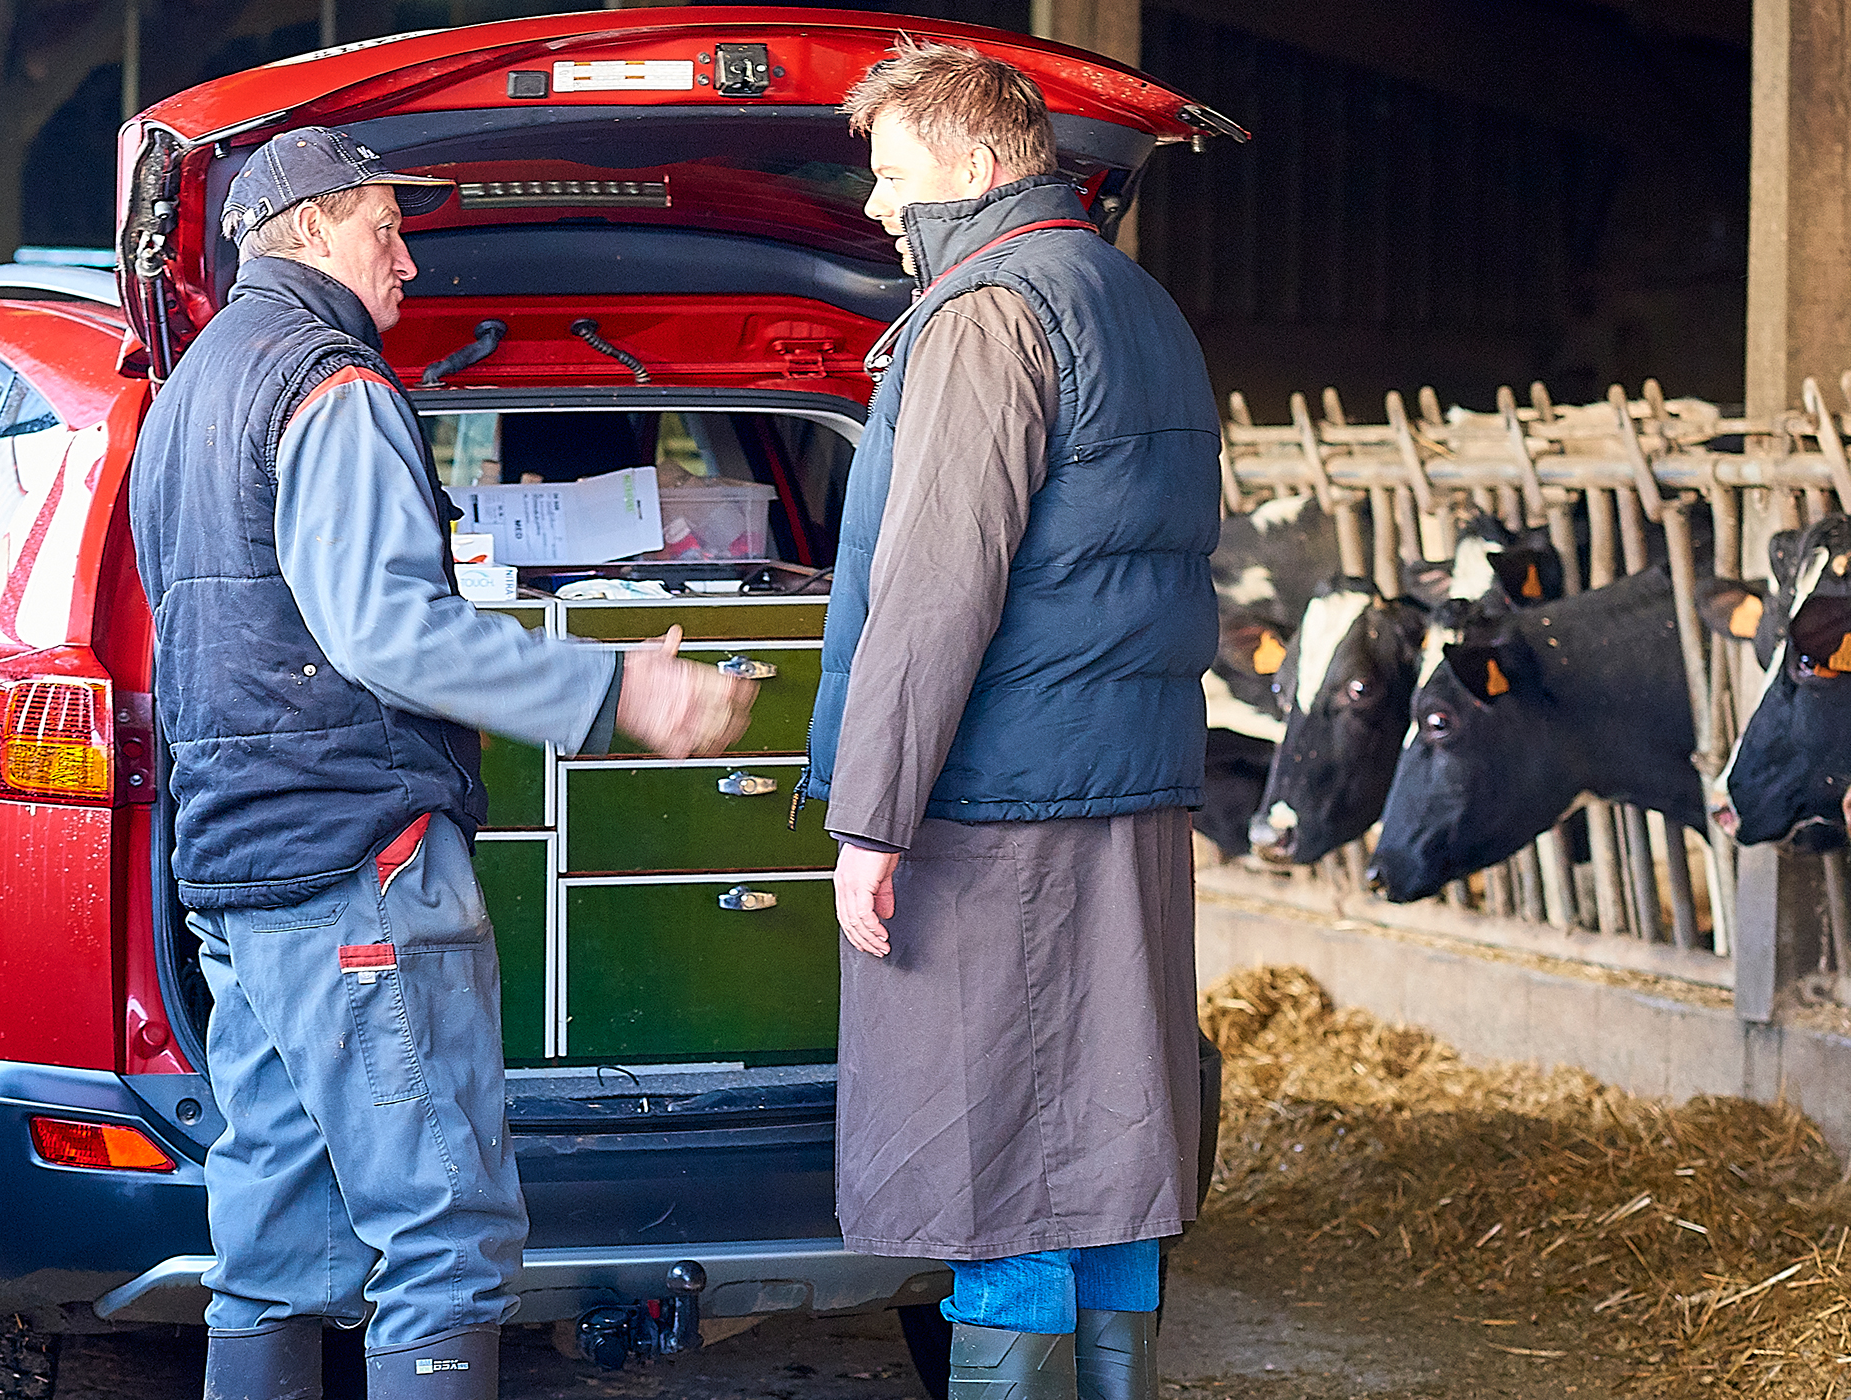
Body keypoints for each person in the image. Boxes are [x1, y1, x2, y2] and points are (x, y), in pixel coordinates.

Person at [127, 127, 756, 1400]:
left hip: (238, 875)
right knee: (444, 1239)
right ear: (308, 229)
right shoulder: (330, 386)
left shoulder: (185, 394)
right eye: (385, 227)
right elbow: (388, 629)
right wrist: (613, 685)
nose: (409, 259)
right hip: (357, 864)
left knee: (269, 1247)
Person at [798, 40, 1224, 1400]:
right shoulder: (1139, 302)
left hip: (1001, 812)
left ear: (978, 168)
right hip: (1130, 799)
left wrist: (872, 814)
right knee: (1107, 1143)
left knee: (999, 1157)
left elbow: (937, 587)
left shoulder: (988, 313)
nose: (876, 211)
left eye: (893, 178)